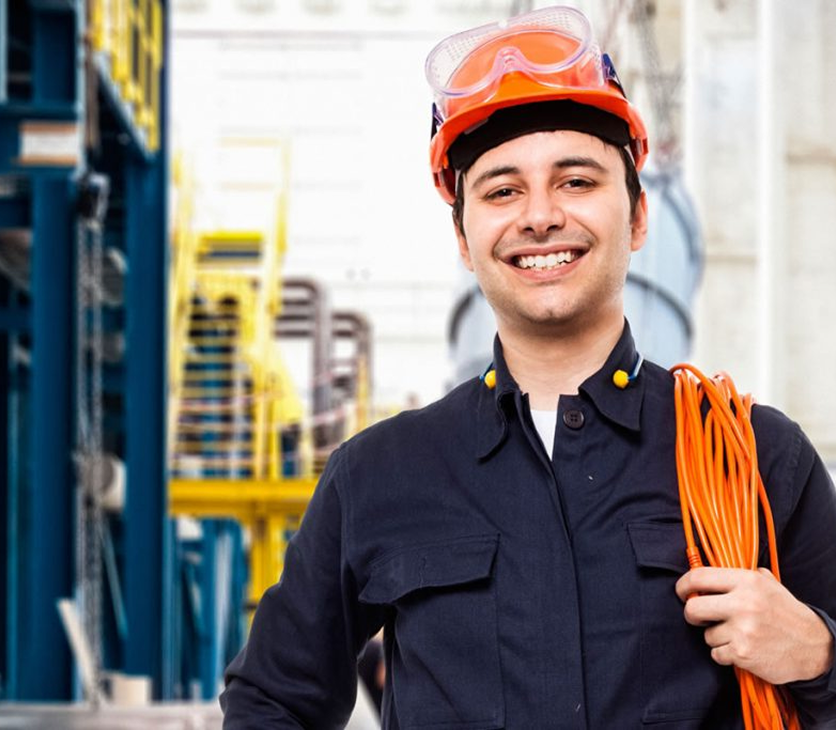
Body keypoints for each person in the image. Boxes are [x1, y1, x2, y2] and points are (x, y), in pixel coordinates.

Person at [221, 6, 836, 728]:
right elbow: (271, 702)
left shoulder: (756, 459)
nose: (540, 216)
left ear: (637, 219)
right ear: (464, 236)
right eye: (502, 190)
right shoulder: (378, 474)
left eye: (576, 181)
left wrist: (821, 657)